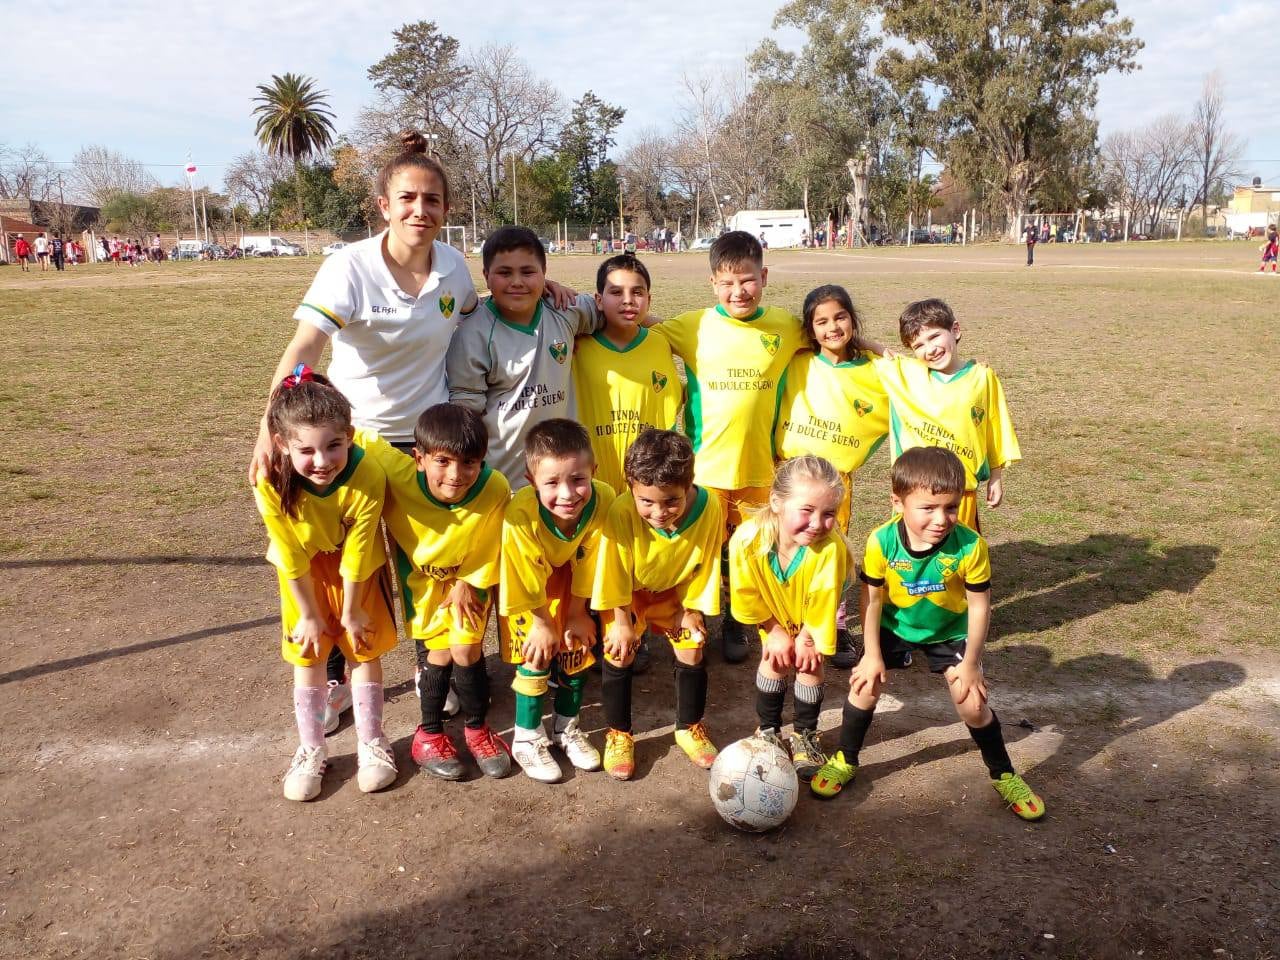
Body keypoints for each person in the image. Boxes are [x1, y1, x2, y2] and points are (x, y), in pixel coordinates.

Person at [250, 130, 482, 725]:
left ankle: (434, 668)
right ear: (384, 205)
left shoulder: (455, 269)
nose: (419, 211)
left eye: (432, 200)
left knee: (423, 562)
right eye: (407, 198)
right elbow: (305, 344)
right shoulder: (348, 267)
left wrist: (552, 292)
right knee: (335, 560)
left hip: (422, 442)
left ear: (447, 209)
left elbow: (483, 311)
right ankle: (331, 676)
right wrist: (267, 430)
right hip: (350, 445)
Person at [814, 447, 1046, 821]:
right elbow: (871, 601)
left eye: (951, 508)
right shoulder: (881, 541)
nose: (941, 519)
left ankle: (1004, 774)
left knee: (971, 703)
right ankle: (846, 759)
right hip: (895, 625)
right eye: (928, 508)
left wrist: (970, 664)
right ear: (898, 501)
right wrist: (871, 654)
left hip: (948, 632)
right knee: (864, 686)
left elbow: (980, 606)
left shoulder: (971, 546)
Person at [655, 231, 802, 664]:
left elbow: (833, 338)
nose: (738, 291)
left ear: (764, 276)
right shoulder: (692, 326)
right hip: (707, 470)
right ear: (712, 284)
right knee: (699, 550)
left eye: (748, 280)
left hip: (760, 470)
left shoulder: (785, 327)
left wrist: (877, 348)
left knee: (753, 549)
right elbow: (638, 324)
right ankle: (691, 614)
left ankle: (741, 617)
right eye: (727, 282)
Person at [253, 366, 399, 802]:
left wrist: (352, 612)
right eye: (307, 450)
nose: (322, 461)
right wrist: (312, 617)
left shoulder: (368, 473)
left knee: (364, 646)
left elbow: (359, 549)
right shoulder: (268, 480)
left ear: (350, 436)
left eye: (334, 445)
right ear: (282, 445)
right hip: (302, 574)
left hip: (357, 569)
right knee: (308, 649)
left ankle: (372, 743)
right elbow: (288, 553)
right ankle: (312, 749)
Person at [356, 403, 513, 781]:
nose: (456, 475)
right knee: (438, 653)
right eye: (442, 461)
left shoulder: (494, 487)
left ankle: (477, 728)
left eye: (469, 463)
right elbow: (357, 432)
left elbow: (494, 541)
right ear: (419, 458)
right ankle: (428, 735)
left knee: (466, 647)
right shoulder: (397, 473)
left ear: (481, 462)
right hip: (422, 584)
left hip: (469, 581)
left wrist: (468, 582)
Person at [591, 429, 724, 779]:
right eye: (646, 501)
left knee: (693, 645)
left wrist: (691, 609)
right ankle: (618, 733)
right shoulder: (621, 511)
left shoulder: (710, 507)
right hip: (629, 596)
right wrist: (620, 623)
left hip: (674, 595)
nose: (659, 512)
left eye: (670, 501)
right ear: (631, 485)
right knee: (619, 650)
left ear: (689, 484)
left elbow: (707, 562)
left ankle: (689, 726)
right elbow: (614, 571)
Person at [773, 284, 888, 668]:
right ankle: (783, 617)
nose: (832, 327)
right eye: (821, 321)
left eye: (840, 317)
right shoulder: (796, 361)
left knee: (832, 550)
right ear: (810, 329)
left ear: (853, 319)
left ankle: (833, 625)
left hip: (836, 481)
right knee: (784, 545)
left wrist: (871, 344)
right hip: (789, 475)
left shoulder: (875, 372)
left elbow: (913, 374)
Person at [499, 419, 614, 783]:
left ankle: (567, 727)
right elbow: (521, 575)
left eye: (578, 479)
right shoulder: (520, 516)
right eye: (551, 483)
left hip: (572, 583)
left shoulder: (605, 499)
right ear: (531, 481)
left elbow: (593, 559)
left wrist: (579, 613)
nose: (567, 494)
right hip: (530, 591)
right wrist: (542, 622)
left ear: (594, 471)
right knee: (535, 655)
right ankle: (527, 736)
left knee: (575, 650)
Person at [446, 225, 603, 489]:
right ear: (486, 275)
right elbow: (467, 418)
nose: (516, 282)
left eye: (528, 272)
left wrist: (665, 331)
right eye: (504, 273)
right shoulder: (471, 335)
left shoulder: (565, 309)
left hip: (563, 479)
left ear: (545, 273)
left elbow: (615, 310)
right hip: (504, 480)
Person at [730, 455, 848, 781]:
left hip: (812, 615)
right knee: (775, 659)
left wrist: (808, 638)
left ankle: (804, 735)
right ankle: (768, 731)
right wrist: (773, 630)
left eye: (829, 514)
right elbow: (746, 594)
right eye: (807, 510)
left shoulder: (830, 549)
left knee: (809, 664)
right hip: (773, 615)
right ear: (777, 502)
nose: (817, 523)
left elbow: (824, 598)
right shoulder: (746, 540)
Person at [873, 299, 1020, 533]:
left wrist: (996, 476)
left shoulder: (982, 378)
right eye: (918, 345)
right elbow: (880, 354)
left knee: (958, 557)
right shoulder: (908, 375)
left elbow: (995, 428)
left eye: (934, 337)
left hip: (961, 492)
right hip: (916, 492)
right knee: (913, 558)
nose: (929, 349)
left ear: (955, 330)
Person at [571, 254, 681, 494]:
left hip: (647, 484)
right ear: (598, 300)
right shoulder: (576, 344)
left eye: (637, 293)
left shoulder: (660, 343)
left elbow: (669, 406)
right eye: (616, 292)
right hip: (590, 483)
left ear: (649, 300)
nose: (628, 301)